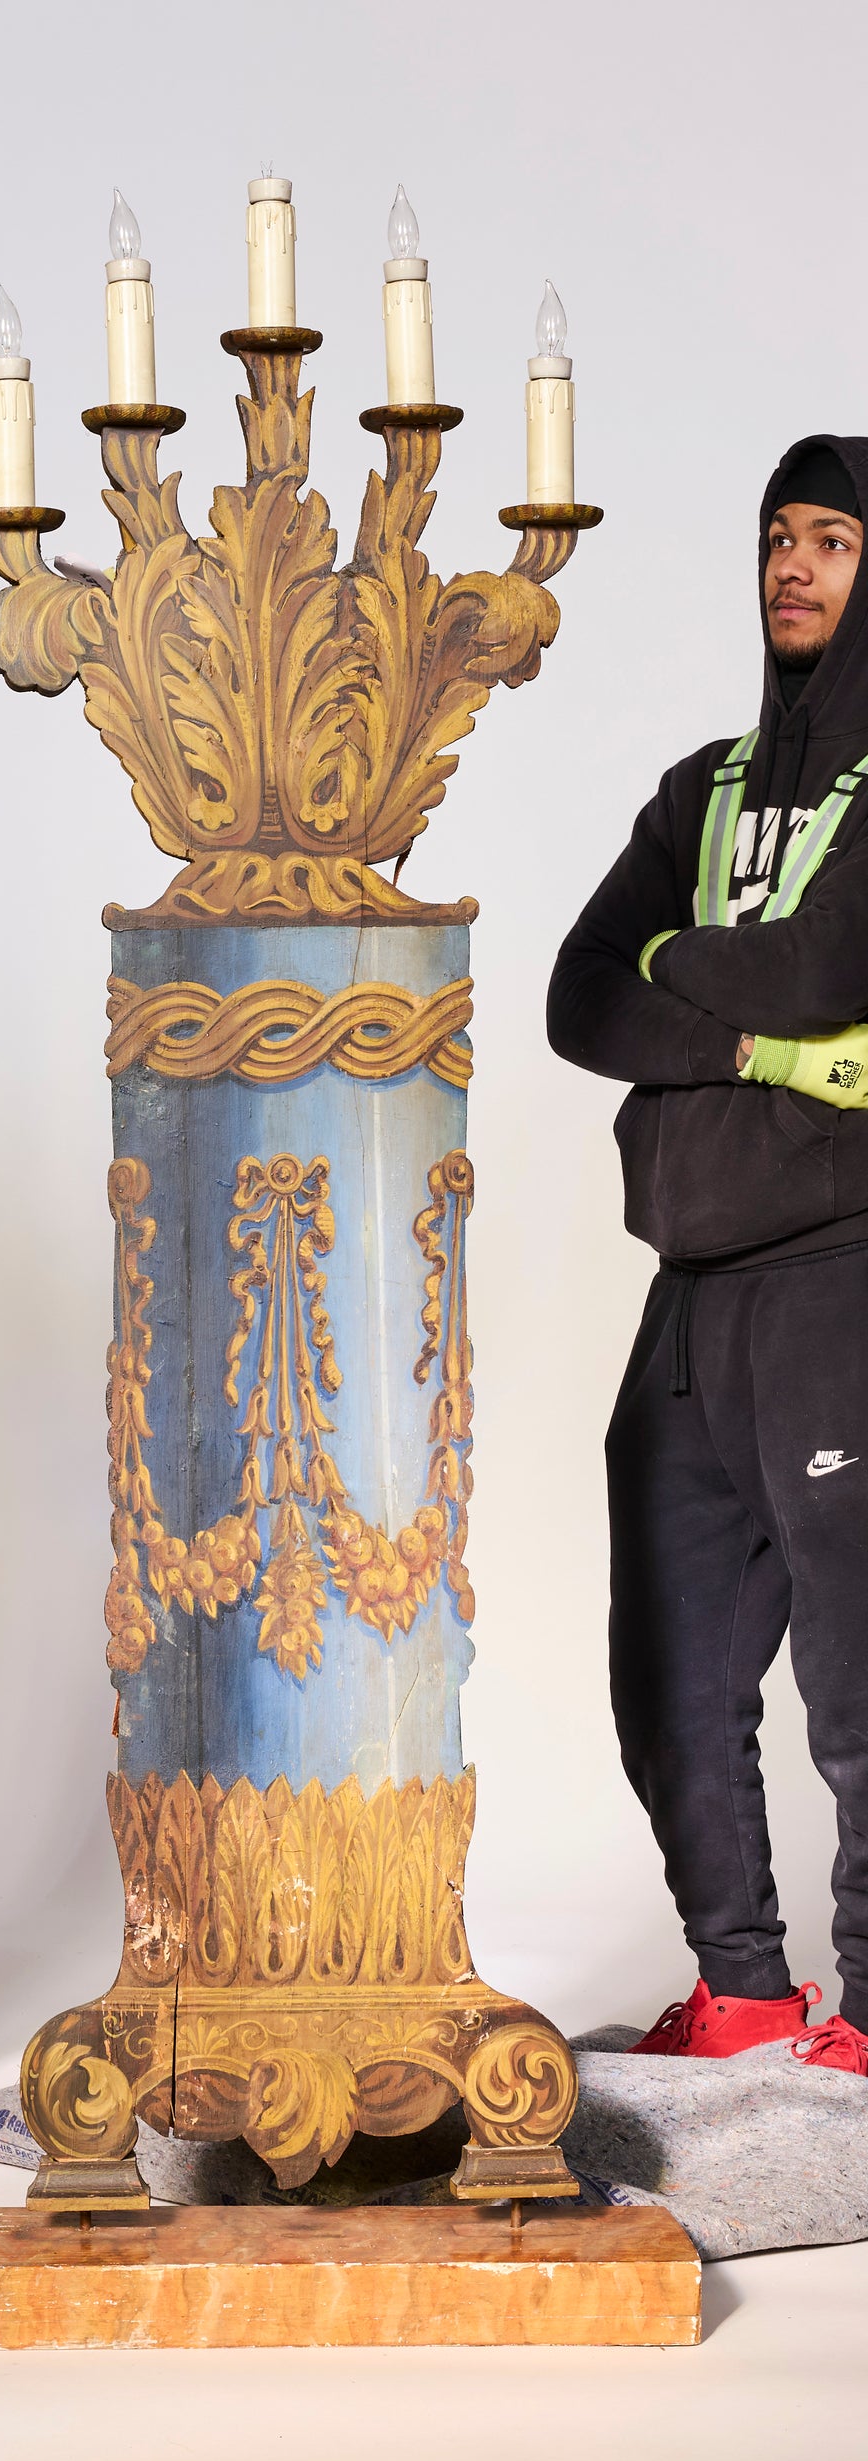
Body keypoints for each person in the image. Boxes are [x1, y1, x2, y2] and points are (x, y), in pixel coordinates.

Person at [548, 434, 868, 2072]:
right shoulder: (704, 789)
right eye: (775, 539)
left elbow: (834, 965)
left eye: (830, 539)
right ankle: (743, 1987)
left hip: (840, 1279)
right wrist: (752, 1041)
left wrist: (690, 964)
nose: (792, 568)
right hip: (687, 1292)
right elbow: (577, 996)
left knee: (859, 1679)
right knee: (665, 1665)